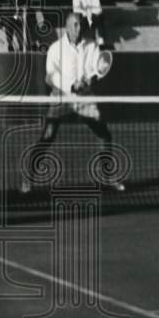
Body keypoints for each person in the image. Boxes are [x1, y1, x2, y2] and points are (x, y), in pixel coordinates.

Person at [21, 12, 124, 194]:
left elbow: (95, 68)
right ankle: (28, 178)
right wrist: (71, 85)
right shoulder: (55, 48)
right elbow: (50, 76)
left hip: (84, 98)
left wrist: (92, 79)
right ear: (67, 27)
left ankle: (108, 177)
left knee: (104, 134)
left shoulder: (91, 45)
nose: (78, 28)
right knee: (48, 136)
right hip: (61, 97)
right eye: (75, 25)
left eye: (80, 25)